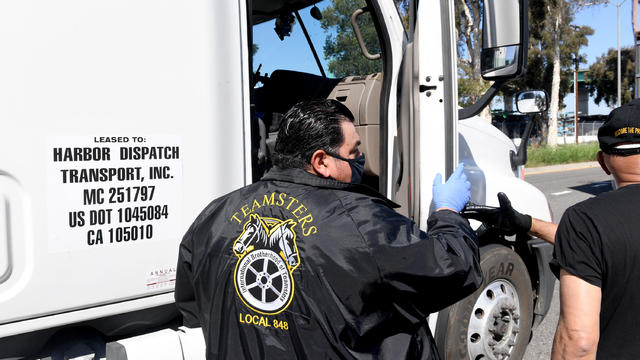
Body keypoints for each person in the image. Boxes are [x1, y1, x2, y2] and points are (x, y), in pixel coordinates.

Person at [175, 99, 482, 359]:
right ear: (321, 161)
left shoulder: (213, 217)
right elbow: (455, 268)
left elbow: (195, 310)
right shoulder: (364, 222)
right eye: (354, 152)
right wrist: (448, 213)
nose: (361, 159)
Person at [466, 99, 640, 359]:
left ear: (602, 162)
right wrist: (527, 223)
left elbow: (577, 342)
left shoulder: (587, 221)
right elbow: (603, 244)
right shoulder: (586, 229)